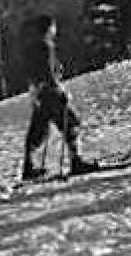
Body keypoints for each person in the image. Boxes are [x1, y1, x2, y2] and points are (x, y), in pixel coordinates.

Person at [21, 14, 98, 180]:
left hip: (40, 94)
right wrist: (58, 89)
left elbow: (33, 72)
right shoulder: (45, 46)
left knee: (39, 130)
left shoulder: (31, 47)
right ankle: (76, 161)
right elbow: (48, 72)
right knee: (71, 123)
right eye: (53, 27)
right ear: (49, 28)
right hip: (50, 93)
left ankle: (29, 167)